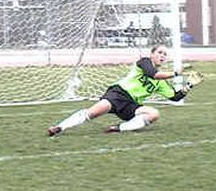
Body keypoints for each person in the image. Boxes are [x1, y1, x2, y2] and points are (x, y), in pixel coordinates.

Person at [47, 45, 191, 136]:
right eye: (160, 52)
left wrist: (189, 85)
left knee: (154, 114)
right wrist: (176, 73)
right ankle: (60, 127)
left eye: (165, 55)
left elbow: (175, 97)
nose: (162, 56)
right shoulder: (144, 62)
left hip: (131, 105)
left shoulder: (162, 82)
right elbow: (152, 74)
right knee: (92, 113)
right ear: (152, 54)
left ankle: (119, 128)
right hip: (118, 94)